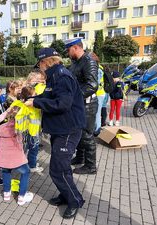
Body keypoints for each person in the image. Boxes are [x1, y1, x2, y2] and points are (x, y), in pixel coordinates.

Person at [25, 48, 86, 219]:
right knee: (62, 167)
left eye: (40, 65)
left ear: (46, 62)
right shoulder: (54, 76)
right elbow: (49, 94)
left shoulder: (62, 76)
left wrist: (36, 103)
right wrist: (33, 98)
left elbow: (62, 104)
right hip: (60, 129)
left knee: (57, 169)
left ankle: (75, 200)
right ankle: (66, 194)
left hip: (68, 129)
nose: (40, 68)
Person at [65, 38, 99, 174]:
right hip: (80, 104)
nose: (67, 53)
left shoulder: (88, 61)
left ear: (75, 47)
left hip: (88, 104)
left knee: (86, 135)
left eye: (68, 50)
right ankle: (80, 158)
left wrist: (74, 97)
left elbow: (92, 85)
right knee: (78, 132)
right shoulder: (75, 62)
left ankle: (91, 166)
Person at [0, 119, 34, 205]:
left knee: (6, 171)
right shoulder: (20, 127)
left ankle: (6, 194)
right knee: (26, 172)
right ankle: (21, 197)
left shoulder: (1, 127)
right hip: (15, 158)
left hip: (3, 158)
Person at [89, 52, 105, 137]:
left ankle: (97, 130)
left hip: (99, 94)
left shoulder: (97, 69)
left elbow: (96, 83)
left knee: (97, 113)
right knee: (96, 112)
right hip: (100, 93)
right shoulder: (100, 67)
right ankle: (96, 129)